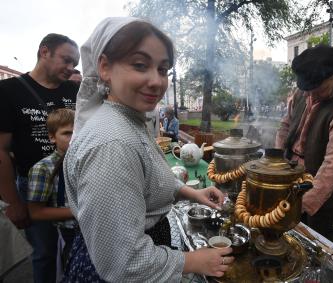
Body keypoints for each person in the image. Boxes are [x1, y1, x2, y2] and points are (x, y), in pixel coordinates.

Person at [62, 17, 233, 282]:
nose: (156, 81)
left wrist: (191, 192)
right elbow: (123, 262)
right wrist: (192, 260)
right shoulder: (112, 145)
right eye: (140, 65)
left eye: (163, 70)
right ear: (105, 67)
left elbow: (146, 179)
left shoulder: (130, 119)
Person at [0, 33, 79, 283]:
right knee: (44, 253)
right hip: (35, 187)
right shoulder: (8, 90)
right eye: (66, 60)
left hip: (73, 183)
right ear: (44, 52)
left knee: (76, 248)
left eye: (74, 64)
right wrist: (13, 202)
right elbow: (0, 149)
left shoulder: (74, 90)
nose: (71, 68)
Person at [275, 45, 333, 239]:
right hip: (291, 173)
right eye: (308, 90)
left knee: (316, 236)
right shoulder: (302, 93)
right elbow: (285, 126)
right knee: (286, 233)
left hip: (322, 181)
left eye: (319, 90)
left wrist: (304, 205)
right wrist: (276, 163)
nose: (311, 96)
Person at [27, 109, 76, 269]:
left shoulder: (89, 161)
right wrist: (79, 211)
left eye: (79, 131)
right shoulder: (43, 168)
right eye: (67, 133)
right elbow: (36, 212)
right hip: (71, 235)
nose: (75, 138)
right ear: (52, 137)